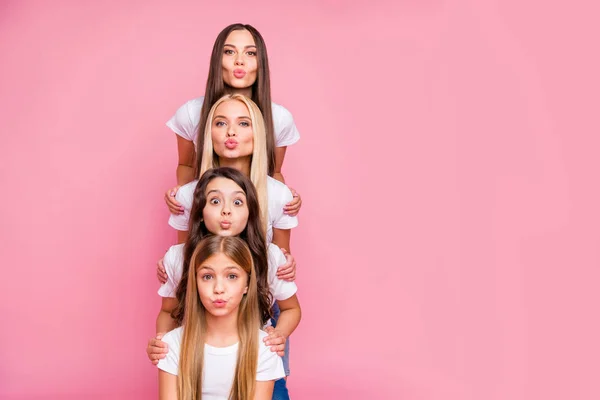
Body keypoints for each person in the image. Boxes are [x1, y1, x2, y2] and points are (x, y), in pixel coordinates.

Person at [150, 168, 301, 399]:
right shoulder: (178, 257)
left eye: (238, 202)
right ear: (200, 212)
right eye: (215, 201)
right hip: (199, 354)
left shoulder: (269, 256)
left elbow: (291, 308)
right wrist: (163, 344)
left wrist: (277, 335)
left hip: (253, 354)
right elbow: (168, 311)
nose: (226, 210)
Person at [164, 23, 302, 217]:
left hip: (257, 217)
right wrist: (183, 197)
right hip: (210, 216)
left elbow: (274, 172)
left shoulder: (278, 118)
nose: (239, 61)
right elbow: (186, 165)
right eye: (229, 52)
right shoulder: (191, 113)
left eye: (250, 53)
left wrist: (284, 198)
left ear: (261, 62)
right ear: (217, 60)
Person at [158, 235, 285, 400]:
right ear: (195, 282)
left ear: (247, 284)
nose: (218, 288)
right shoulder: (172, 344)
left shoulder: (265, 348)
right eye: (207, 276)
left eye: (232, 276)